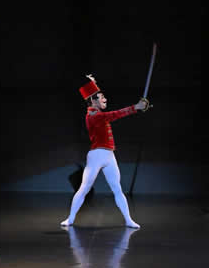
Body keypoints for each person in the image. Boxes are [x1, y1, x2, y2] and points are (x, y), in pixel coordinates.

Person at [60, 75, 149, 229]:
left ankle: (128, 220)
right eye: (102, 98)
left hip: (109, 155)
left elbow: (102, 105)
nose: (105, 100)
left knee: (117, 189)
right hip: (96, 155)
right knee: (84, 188)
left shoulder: (97, 112)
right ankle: (70, 218)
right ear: (93, 100)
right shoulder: (93, 115)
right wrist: (136, 107)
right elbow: (115, 114)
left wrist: (94, 84)